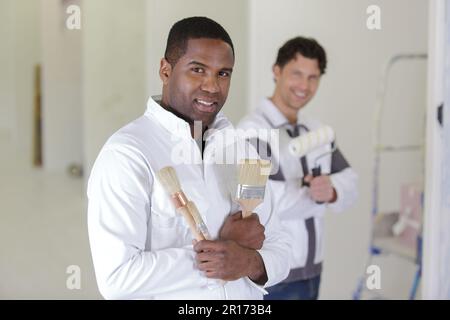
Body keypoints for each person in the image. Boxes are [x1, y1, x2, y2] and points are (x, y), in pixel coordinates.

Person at [87, 16, 290, 300]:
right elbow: (116, 279)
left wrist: (248, 262)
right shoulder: (127, 155)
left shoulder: (242, 152)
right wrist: (224, 249)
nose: (212, 86)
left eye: (223, 73)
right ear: (165, 70)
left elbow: (281, 248)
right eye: (198, 70)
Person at [238, 36, 358, 300]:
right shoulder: (252, 133)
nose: (304, 86)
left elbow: (350, 181)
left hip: (313, 271)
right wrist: (316, 196)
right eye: (297, 74)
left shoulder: (316, 131)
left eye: (313, 77)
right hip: (274, 277)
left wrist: (332, 191)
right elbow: (259, 204)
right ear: (276, 71)